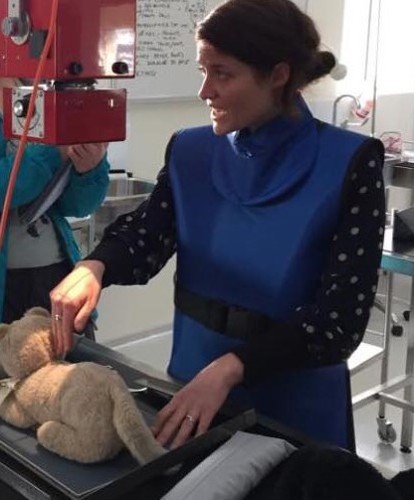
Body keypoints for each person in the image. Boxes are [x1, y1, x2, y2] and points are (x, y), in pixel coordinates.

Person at [50, 0, 385, 450]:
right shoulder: (190, 151)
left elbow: (339, 323)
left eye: (223, 73)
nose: (205, 90)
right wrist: (96, 267)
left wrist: (231, 367)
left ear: (279, 75)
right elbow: (147, 237)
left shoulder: (349, 163)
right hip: (194, 387)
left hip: (295, 404)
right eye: (202, 70)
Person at [0, 78, 110, 324]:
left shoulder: (50, 94)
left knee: (75, 360)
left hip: (56, 273)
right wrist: (51, 155)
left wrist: (88, 169)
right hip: (6, 291)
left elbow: (78, 206)